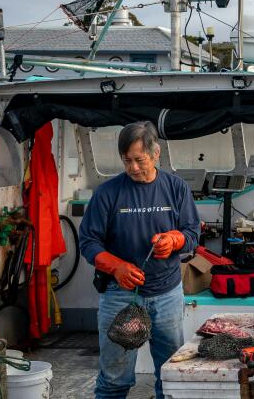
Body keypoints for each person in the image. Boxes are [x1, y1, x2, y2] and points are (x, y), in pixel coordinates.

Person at [78, 121, 201, 399]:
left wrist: (174, 241)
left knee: (170, 375)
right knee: (114, 378)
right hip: (119, 296)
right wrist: (117, 267)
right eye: (126, 161)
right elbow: (88, 242)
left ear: (156, 154)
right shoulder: (107, 193)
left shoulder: (176, 188)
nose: (133, 167)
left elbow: (192, 233)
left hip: (167, 295)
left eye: (139, 160)